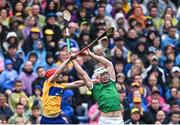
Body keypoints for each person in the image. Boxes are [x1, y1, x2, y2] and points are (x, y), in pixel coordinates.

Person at [40, 54, 92, 124]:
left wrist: (91, 81)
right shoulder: (48, 84)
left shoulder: (61, 85)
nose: (61, 75)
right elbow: (57, 73)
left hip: (58, 118)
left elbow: (76, 84)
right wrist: (68, 60)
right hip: (48, 120)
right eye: (60, 75)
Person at [81, 49, 124, 124]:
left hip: (119, 119)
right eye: (102, 75)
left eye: (106, 73)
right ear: (96, 77)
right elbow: (83, 74)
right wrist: (73, 60)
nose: (105, 76)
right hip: (105, 120)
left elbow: (109, 64)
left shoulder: (111, 82)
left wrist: (92, 55)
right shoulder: (94, 87)